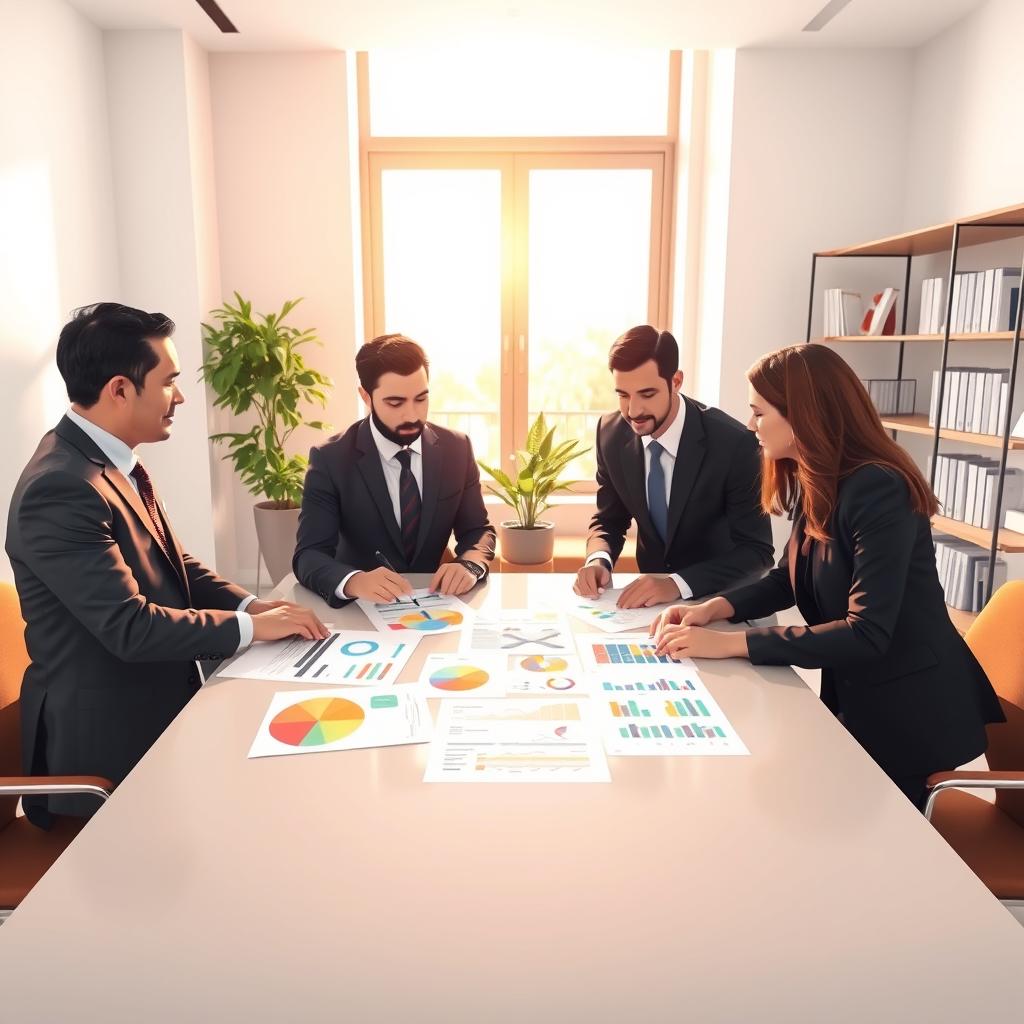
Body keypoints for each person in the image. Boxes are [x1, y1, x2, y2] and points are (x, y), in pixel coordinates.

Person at [6, 303, 328, 826]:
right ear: (119, 389)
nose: (179, 396)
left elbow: (174, 563)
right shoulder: (61, 487)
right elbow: (129, 628)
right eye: (168, 381)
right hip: (105, 759)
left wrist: (251, 604)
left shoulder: (106, 459)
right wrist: (251, 628)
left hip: (156, 715)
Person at [650, 343, 1004, 809]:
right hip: (862, 701)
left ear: (802, 415)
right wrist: (714, 608)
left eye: (759, 412)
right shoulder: (823, 478)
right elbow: (787, 579)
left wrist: (734, 643)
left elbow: (868, 633)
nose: (751, 425)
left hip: (910, 719)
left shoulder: (878, 488)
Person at [575, 325, 773, 608]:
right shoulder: (611, 433)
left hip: (723, 601)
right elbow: (609, 519)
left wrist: (677, 584)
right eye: (623, 395)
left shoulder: (734, 444)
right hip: (650, 608)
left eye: (647, 394)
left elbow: (757, 552)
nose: (633, 411)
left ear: (676, 381)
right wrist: (599, 559)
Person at [293, 333, 495, 607]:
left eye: (421, 399)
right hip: (359, 610)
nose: (412, 415)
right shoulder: (330, 459)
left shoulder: (456, 448)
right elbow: (309, 555)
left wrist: (470, 565)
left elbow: (477, 530)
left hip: (435, 605)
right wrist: (353, 581)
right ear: (366, 396)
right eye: (395, 402)